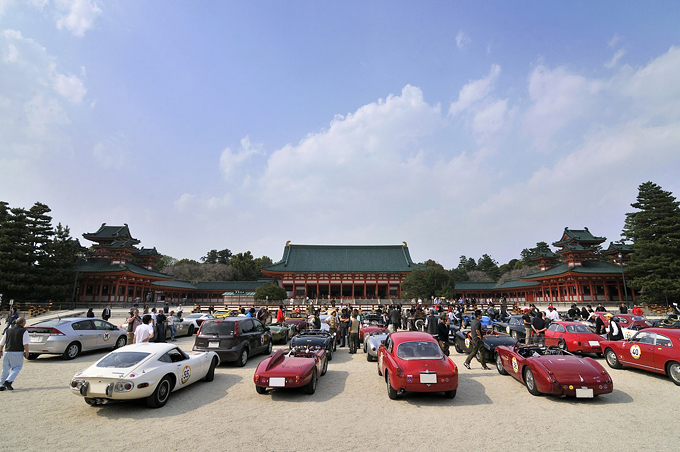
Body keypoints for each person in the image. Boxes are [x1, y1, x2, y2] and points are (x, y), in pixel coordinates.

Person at [0, 317, 29, 391]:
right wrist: (27, 352)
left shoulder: (8, 330)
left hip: (7, 351)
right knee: (17, 367)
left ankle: (1, 384)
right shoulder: (24, 331)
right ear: (23, 323)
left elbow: (2, 343)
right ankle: (9, 381)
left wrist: (0, 351)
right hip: (17, 352)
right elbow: (25, 343)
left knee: (5, 368)